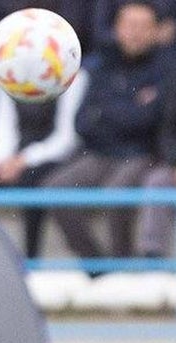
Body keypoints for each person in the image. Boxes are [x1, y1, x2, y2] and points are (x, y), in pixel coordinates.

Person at [41, 0, 172, 263]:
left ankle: (125, 265)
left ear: (156, 31)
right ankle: (97, 266)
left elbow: (155, 121)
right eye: (129, 25)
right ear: (117, 28)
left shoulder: (167, 68)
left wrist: (113, 114)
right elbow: (83, 122)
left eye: (143, 26)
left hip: (142, 154)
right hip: (99, 152)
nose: (135, 32)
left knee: (118, 195)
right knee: (54, 189)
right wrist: (131, 112)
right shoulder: (101, 66)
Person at [0, 66, 88, 257]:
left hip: (58, 157)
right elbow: (1, 126)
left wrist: (24, 160)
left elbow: (66, 139)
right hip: (16, 158)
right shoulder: (8, 72)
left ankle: (31, 259)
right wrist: (2, 160)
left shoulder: (73, 76)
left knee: (36, 182)